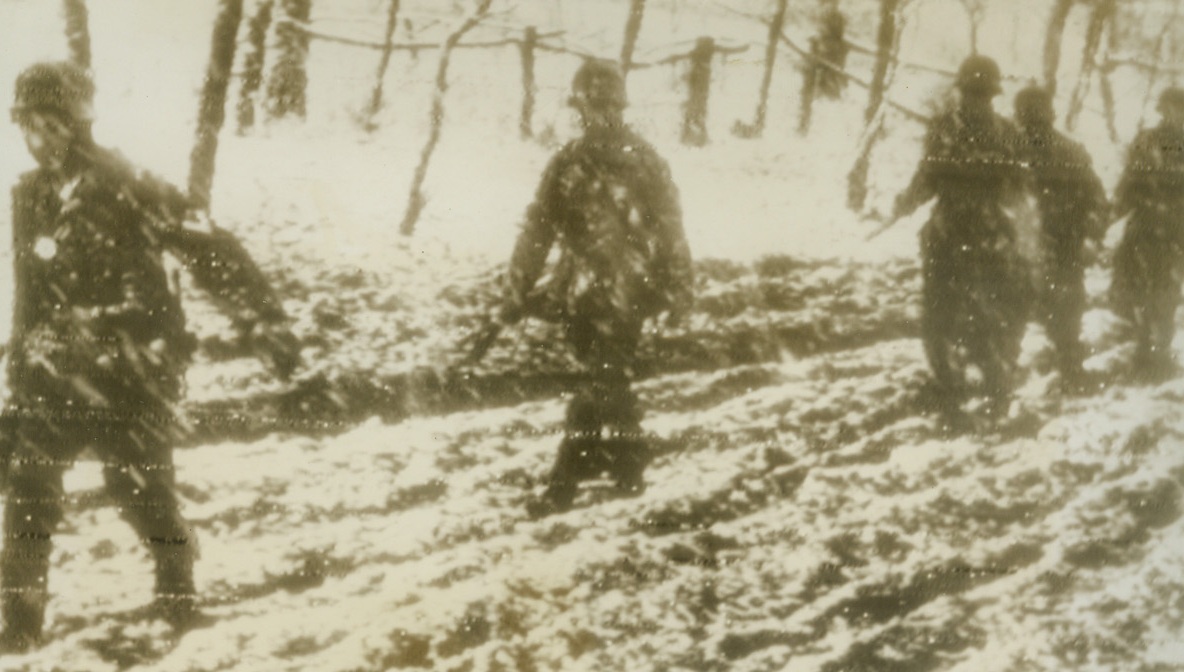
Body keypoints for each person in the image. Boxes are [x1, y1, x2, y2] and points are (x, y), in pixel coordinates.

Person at [1, 61, 300, 651]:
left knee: (139, 488)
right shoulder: (29, 194)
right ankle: (19, 621)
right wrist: (19, 362)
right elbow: (32, 290)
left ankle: (177, 588)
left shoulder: (129, 183)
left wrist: (266, 323)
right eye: (26, 125)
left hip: (132, 367)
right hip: (54, 368)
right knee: (29, 485)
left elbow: (215, 252)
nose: (38, 139)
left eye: (50, 125)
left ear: (77, 123)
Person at [497, 59, 693, 518]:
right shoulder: (568, 163)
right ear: (582, 110)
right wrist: (516, 289)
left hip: (628, 291)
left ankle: (564, 482)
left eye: (606, 106)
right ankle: (628, 467)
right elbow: (537, 230)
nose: (599, 115)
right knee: (608, 377)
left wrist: (679, 290)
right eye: (592, 107)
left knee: (599, 378)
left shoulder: (643, 163)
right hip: (582, 293)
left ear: (619, 108)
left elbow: (671, 230)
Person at [891, 55, 1032, 425]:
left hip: (960, 236)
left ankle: (975, 389)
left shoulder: (948, 128)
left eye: (978, 95)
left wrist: (909, 201)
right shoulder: (1006, 133)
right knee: (964, 317)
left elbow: (928, 178)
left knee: (951, 317)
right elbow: (1017, 191)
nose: (976, 101)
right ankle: (978, 389)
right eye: (976, 94)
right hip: (979, 237)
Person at [1013, 85, 1109, 389]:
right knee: (1064, 319)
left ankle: (1003, 380)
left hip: (1028, 249)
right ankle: (1070, 372)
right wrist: (1091, 236)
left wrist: (1090, 236)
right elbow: (1098, 202)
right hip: (1051, 247)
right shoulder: (1068, 151)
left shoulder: (1008, 150)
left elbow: (1097, 201)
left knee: (1014, 318)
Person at [1109, 87, 1184, 380]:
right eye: (1169, 109)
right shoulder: (1146, 140)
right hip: (1146, 227)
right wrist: (1115, 212)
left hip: (1176, 232)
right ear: (1162, 110)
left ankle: (1160, 353)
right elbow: (1129, 181)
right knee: (1140, 289)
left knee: (1167, 292)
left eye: (1178, 108)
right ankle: (1143, 351)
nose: (1174, 115)